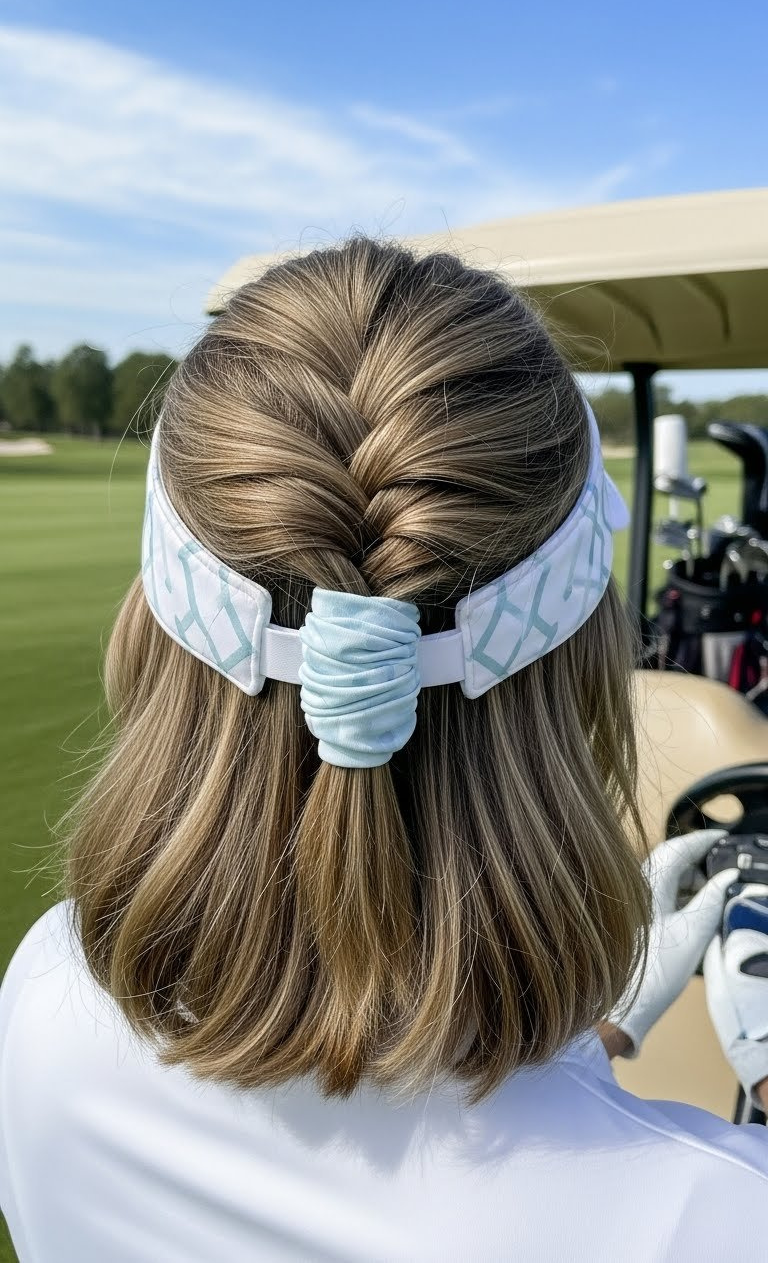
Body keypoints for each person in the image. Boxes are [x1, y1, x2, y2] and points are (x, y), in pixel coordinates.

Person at [1, 238, 768, 1262]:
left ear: (151, 622)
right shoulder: (712, 1217)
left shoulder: (43, 1005)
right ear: (586, 653)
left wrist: (604, 1045)